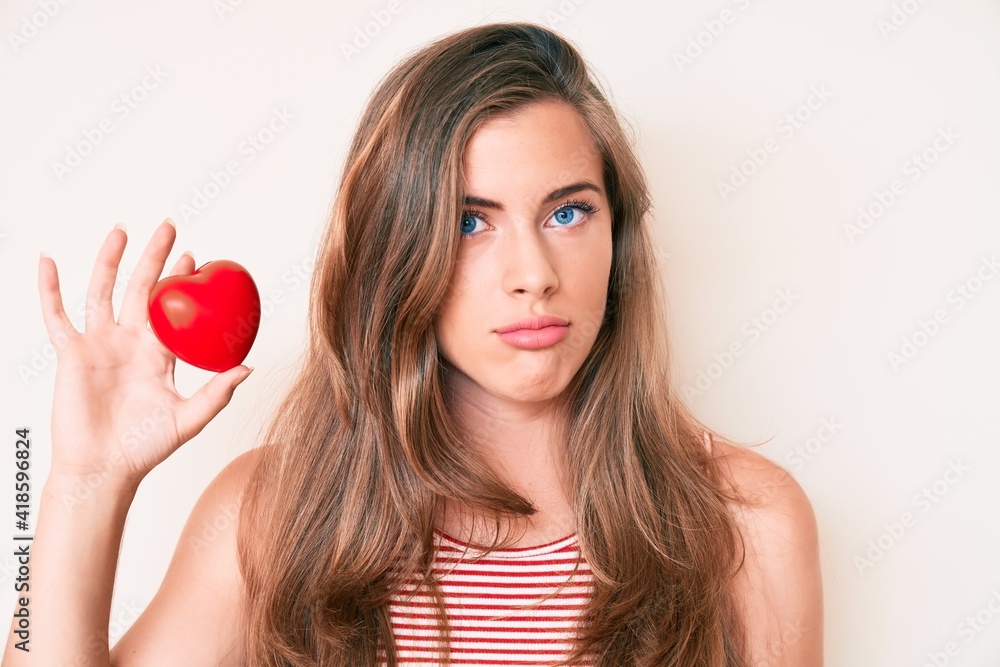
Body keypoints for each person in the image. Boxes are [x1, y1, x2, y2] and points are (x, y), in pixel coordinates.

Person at [3, 21, 822, 667]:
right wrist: (85, 482)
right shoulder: (273, 514)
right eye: (470, 221)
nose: (533, 273)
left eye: (569, 211)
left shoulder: (746, 521)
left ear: (619, 237)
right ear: (396, 252)